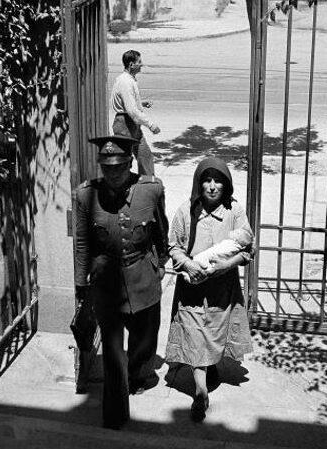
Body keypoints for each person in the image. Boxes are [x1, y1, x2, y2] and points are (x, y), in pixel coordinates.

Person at [74, 135, 168, 429]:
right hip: (106, 281)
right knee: (114, 353)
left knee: (144, 338)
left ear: (130, 164)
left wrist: (161, 264)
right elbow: (82, 243)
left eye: (119, 168)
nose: (113, 174)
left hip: (143, 275)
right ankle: (114, 413)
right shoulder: (85, 195)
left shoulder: (151, 190)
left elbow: (160, 231)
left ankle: (139, 373)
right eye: (107, 168)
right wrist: (81, 284)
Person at [165, 157, 253, 422]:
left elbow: (248, 247)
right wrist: (189, 266)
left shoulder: (234, 211)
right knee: (194, 335)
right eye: (207, 180)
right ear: (198, 184)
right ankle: (200, 392)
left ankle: (210, 367)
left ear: (226, 185)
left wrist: (227, 264)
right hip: (192, 289)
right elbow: (173, 247)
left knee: (215, 334)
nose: (212, 186)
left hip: (222, 290)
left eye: (218, 181)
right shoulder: (185, 211)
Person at [110, 50, 160, 176]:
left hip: (132, 125)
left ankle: (148, 186)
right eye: (139, 62)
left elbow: (129, 104)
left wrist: (141, 103)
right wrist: (151, 125)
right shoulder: (125, 82)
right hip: (125, 126)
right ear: (131, 65)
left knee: (145, 157)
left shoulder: (128, 80)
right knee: (124, 162)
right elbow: (132, 111)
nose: (141, 64)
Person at [180, 228, 253, 284]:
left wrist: (228, 264)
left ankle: (190, 277)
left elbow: (250, 250)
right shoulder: (233, 244)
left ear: (236, 239)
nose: (234, 231)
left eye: (237, 233)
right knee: (202, 269)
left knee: (202, 268)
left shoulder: (231, 244)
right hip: (207, 260)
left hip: (220, 274)